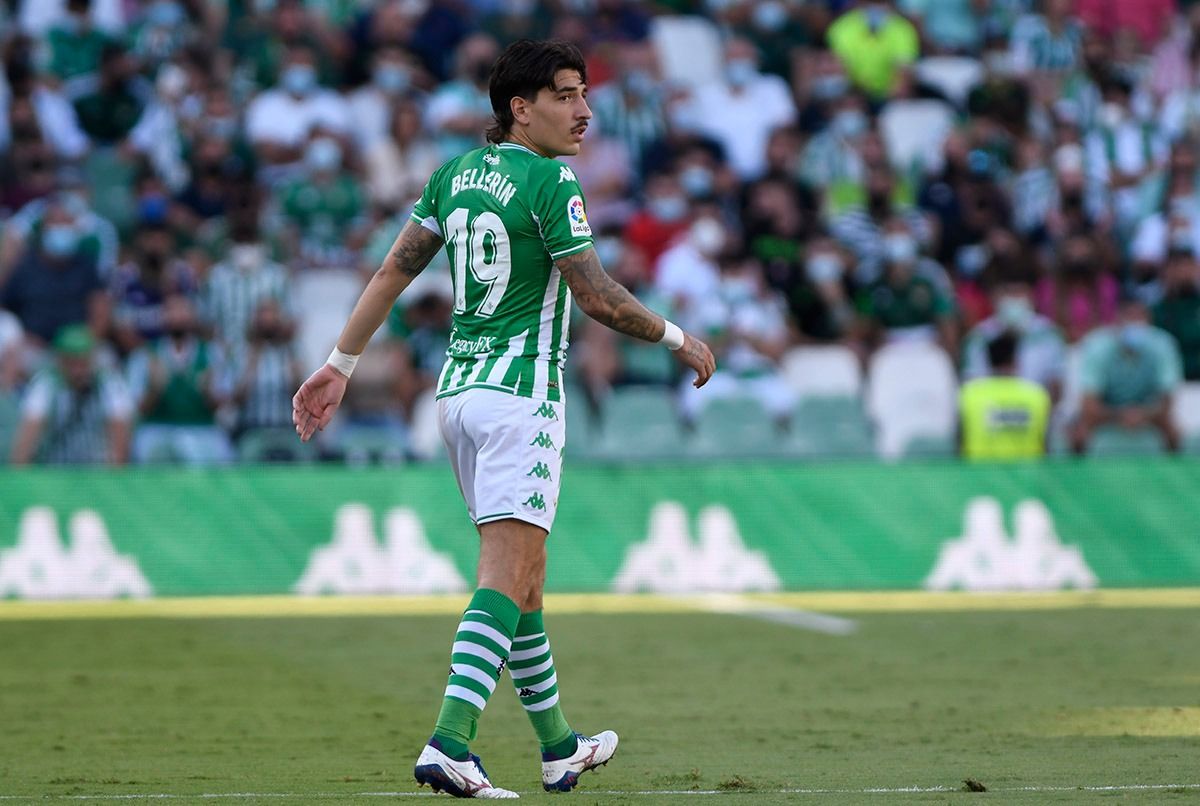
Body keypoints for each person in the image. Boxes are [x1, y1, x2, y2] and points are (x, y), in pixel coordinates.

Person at [291, 39, 714, 798]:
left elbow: (394, 269)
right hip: (522, 398)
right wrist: (678, 337)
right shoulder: (553, 180)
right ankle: (450, 740)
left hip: (458, 398)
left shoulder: (453, 174)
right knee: (506, 573)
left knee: (527, 584)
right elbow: (595, 296)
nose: (584, 111)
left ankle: (558, 748)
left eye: (584, 93)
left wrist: (340, 363)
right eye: (565, 95)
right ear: (521, 109)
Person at [9, 325, 133, 465]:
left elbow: (119, 437)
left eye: (83, 363)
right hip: (54, 472)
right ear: (60, 361)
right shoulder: (46, 385)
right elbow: (27, 436)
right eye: (72, 363)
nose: (78, 371)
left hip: (98, 473)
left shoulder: (109, 384)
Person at [1072, 297, 1183, 454]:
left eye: (1140, 318)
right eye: (1130, 317)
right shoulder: (1096, 345)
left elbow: (1167, 401)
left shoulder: (1163, 344)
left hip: (1149, 409)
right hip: (1108, 409)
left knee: (1174, 431)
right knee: (1078, 432)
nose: (1135, 324)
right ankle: (1078, 476)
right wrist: (1120, 415)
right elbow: (1089, 403)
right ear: (1117, 321)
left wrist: (1143, 414)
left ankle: (1175, 475)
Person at [959, 330, 1051, 461]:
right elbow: (1045, 446)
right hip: (1027, 478)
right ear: (1015, 360)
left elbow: (959, 444)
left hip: (979, 478)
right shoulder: (1037, 395)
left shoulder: (969, 394)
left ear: (989, 362)